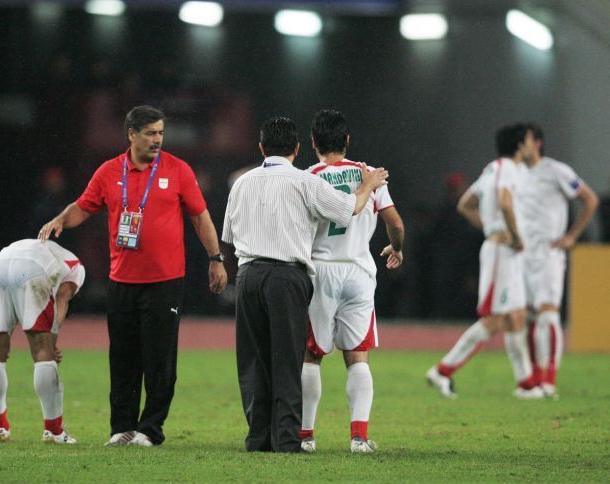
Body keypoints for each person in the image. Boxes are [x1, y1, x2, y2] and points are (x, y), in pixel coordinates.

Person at [39, 105, 227, 447]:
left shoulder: (178, 169)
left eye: (160, 133)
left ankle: (150, 429)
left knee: (159, 360)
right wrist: (61, 220)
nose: (158, 139)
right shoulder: (109, 171)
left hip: (165, 281)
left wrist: (216, 259)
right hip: (122, 280)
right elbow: (83, 206)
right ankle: (122, 427)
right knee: (123, 358)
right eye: (151, 133)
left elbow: (201, 218)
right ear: (131, 135)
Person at [222, 116, 388, 453]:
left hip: (248, 274)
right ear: (297, 148)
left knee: (253, 361)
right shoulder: (305, 181)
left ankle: (258, 438)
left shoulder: (242, 182)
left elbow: (229, 234)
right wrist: (367, 185)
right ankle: (289, 439)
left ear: (261, 147)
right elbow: (348, 209)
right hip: (287, 275)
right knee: (289, 359)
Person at [300, 110, 405, 454]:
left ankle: (306, 437)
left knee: (311, 355)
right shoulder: (369, 174)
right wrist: (396, 248)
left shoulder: (308, 177)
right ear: (347, 139)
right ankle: (359, 438)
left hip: (320, 270)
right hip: (359, 272)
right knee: (358, 356)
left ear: (313, 142)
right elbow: (395, 224)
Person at [426, 124, 541, 399]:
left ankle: (526, 385)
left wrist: (489, 227)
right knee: (494, 319)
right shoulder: (508, 169)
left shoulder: (492, 169)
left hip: (504, 251)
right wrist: (512, 235)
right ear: (519, 145)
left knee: (516, 317)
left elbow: (465, 203)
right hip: (502, 252)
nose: (532, 145)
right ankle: (442, 371)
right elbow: (504, 202)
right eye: (529, 140)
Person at [517, 123, 598, 398]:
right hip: (522, 254)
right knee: (527, 318)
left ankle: (549, 380)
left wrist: (572, 235)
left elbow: (589, 199)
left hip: (549, 253)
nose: (521, 145)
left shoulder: (556, 170)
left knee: (548, 313)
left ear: (538, 143)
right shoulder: (516, 173)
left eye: (526, 140)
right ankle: (534, 379)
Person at [0, 239, 84, 444]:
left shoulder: (42, 247)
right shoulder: (77, 267)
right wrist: (52, 342)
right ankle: (53, 431)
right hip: (32, 269)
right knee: (42, 350)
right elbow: (62, 299)